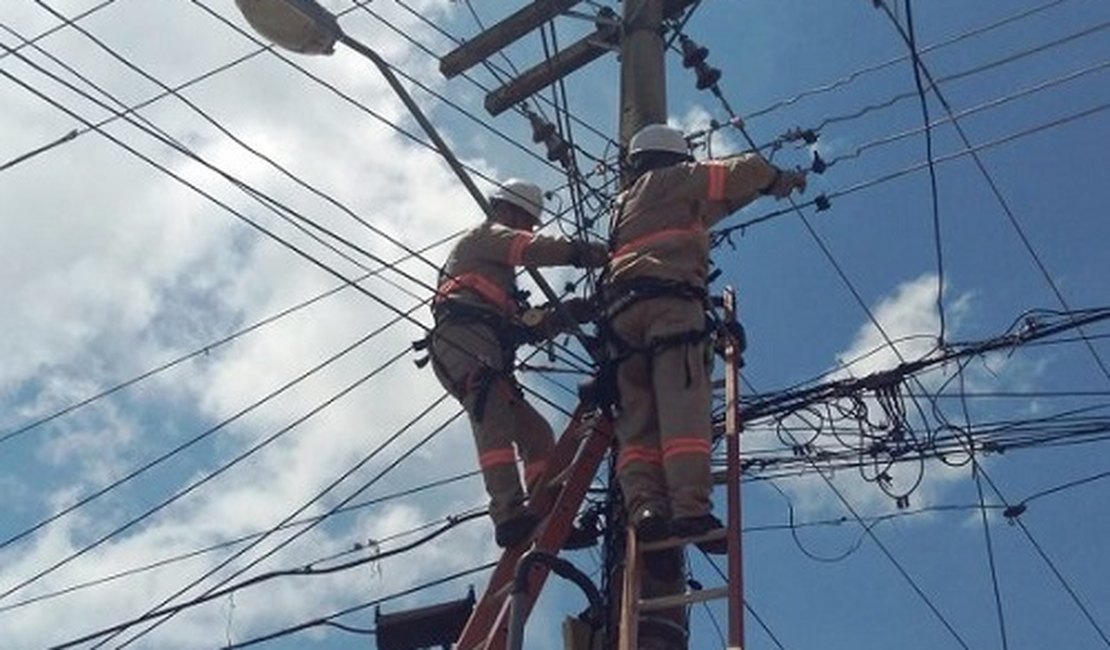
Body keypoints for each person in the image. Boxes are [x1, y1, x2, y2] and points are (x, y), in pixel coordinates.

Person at [601, 124, 806, 649]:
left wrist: (756, 195)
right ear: (671, 158)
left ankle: (646, 507)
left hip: (623, 322)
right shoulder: (673, 179)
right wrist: (779, 178)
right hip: (670, 308)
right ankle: (690, 509)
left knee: (638, 424)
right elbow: (744, 171)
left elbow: (716, 206)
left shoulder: (628, 207)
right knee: (684, 411)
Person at [427, 179, 608, 548]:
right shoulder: (484, 237)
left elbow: (524, 327)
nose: (528, 228)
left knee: (538, 435)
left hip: (484, 344)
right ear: (506, 210)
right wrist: (592, 253)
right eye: (526, 220)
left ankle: (546, 512)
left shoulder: (497, 276)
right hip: (464, 339)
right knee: (492, 416)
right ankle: (508, 515)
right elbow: (530, 248)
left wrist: (572, 313)